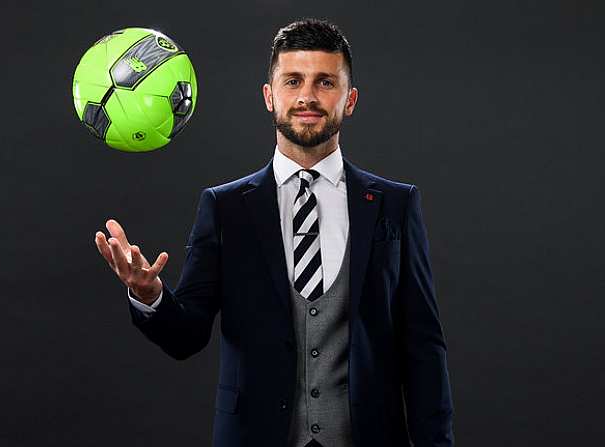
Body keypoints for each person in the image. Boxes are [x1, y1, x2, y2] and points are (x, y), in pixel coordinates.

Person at [94, 18, 455, 447]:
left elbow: (423, 348)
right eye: (292, 81)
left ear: (350, 99)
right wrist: (149, 296)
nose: (307, 96)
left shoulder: (395, 204)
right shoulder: (225, 208)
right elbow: (186, 336)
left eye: (325, 82)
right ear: (269, 96)